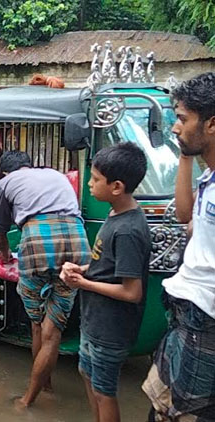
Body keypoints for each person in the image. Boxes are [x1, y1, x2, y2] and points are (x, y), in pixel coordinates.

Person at [0, 151, 92, 407]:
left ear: (5, 172)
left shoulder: (4, 185)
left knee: (37, 324)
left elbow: (0, 232)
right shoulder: (56, 176)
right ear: (29, 165)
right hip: (77, 242)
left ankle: (31, 397)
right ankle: (45, 386)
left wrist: (5, 256)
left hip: (36, 242)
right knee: (54, 328)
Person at [59, 143, 150, 422]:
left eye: (96, 179)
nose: (89, 183)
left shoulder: (128, 230)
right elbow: (107, 266)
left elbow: (132, 291)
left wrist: (83, 284)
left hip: (111, 328)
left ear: (117, 187)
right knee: (88, 376)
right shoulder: (115, 214)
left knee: (104, 391)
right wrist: (84, 270)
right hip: (95, 321)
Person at [143, 72, 215, 421]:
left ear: (212, 124)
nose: (174, 128)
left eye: (183, 119)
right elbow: (184, 213)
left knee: (187, 413)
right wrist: (186, 154)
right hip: (185, 313)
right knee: (160, 402)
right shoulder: (209, 177)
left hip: (205, 319)